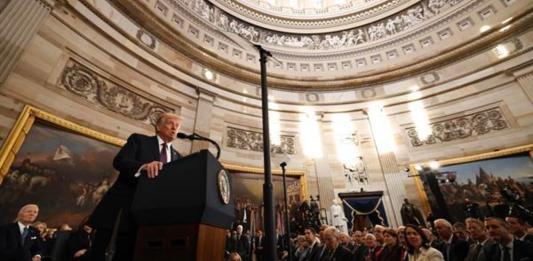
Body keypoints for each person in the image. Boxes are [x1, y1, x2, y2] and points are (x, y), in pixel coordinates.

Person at [89, 113, 182, 261]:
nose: (174, 128)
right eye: (171, 123)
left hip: (150, 220)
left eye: (177, 126)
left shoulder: (178, 157)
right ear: (158, 126)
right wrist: (142, 167)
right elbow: (120, 161)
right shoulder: (139, 140)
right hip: (121, 211)